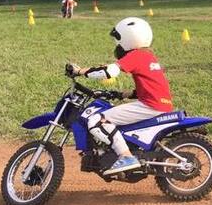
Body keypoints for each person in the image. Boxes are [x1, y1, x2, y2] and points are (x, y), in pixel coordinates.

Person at [66, 17, 174, 175]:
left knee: (96, 120)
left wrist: (80, 71)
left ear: (128, 38)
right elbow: (149, 87)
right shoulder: (148, 56)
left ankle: (126, 156)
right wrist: (118, 94)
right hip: (157, 103)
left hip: (151, 106)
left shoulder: (136, 55)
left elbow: (109, 71)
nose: (117, 44)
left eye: (118, 39)